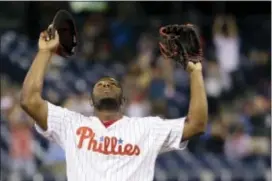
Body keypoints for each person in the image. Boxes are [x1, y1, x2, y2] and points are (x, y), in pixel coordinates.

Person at [20, 29, 208, 181]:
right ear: (91, 102)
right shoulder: (72, 124)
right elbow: (29, 100)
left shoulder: (147, 128)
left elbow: (197, 124)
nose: (106, 85)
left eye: (112, 84)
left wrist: (195, 70)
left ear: (123, 101)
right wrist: (44, 52)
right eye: (100, 85)